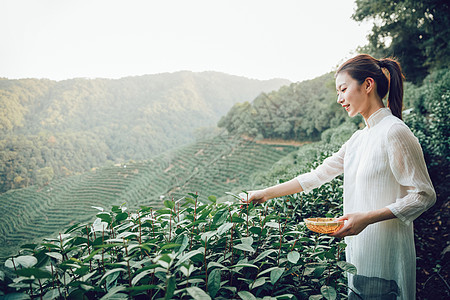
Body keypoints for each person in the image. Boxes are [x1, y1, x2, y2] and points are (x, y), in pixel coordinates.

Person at [246, 54, 436, 299]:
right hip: (357, 257)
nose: (339, 99)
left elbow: (424, 195)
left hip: (384, 257)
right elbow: (316, 176)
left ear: (368, 85)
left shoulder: (394, 132)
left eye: (343, 89)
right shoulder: (359, 139)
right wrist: (263, 194)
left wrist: (367, 218)